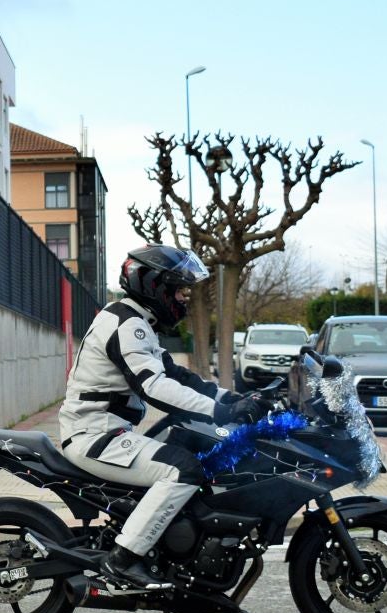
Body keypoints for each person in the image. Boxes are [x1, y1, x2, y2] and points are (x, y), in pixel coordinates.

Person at [58, 244, 267, 594]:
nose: (185, 296)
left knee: (187, 443)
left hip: (106, 432)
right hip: (94, 437)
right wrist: (221, 412)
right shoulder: (127, 324)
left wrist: (231, 398)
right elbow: (154, 387)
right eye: (179, 289)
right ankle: (123, 559)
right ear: (154, 285)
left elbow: (177, 376)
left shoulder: (135, 321)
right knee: (183, 469)